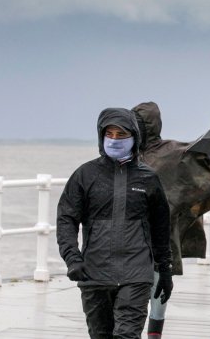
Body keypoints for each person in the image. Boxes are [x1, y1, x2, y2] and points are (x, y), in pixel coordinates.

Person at [56, 107, 174, 339]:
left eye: (122, 135)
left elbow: (161, 228)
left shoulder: (148, 178)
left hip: (136, 274)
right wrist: (72, 258)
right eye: (110, 134)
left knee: (127, 335)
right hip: (94, 275)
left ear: (135, 138)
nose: (115, 140)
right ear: (101, 137)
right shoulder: (85, 175)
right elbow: (66, 219)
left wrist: (165, 271)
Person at [131, 102, 210, 338]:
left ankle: (154, 333)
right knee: (132, 292)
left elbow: (202, 160)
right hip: (131, 235)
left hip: (163, 233)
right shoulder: (129, 155)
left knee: (159, 289)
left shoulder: (171, 151)